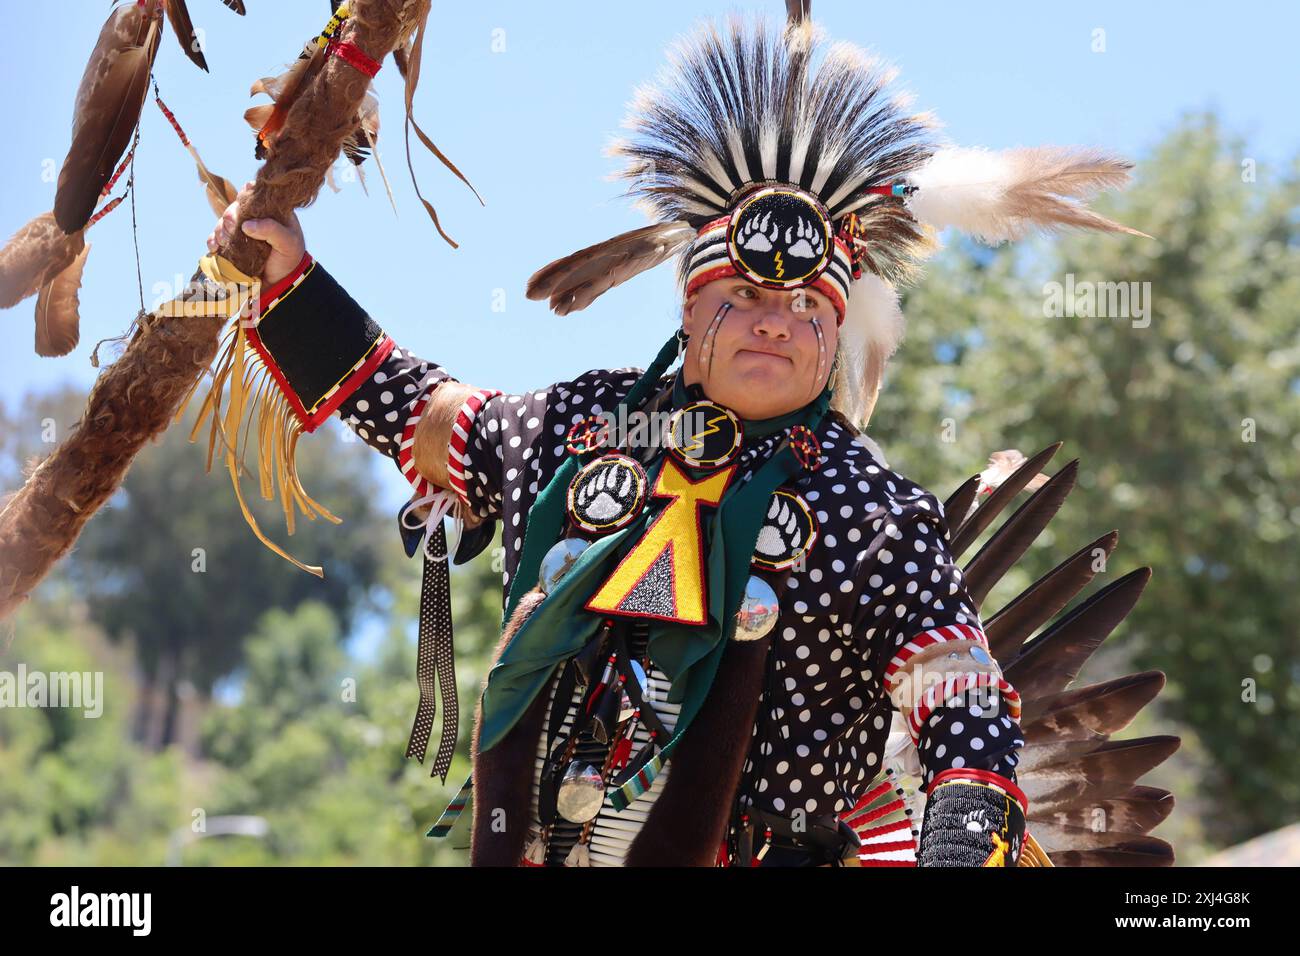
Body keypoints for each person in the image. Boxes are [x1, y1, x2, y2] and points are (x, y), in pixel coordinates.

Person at [202, 14, 1172, 867]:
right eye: (744, 297)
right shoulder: (575, 431)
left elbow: (961, 708)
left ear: (836, 333)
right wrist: (283, 277)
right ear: (690, 294)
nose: (773, 322)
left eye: (803, 305)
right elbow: (411, 407)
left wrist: (959, 842)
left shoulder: (875, 515)